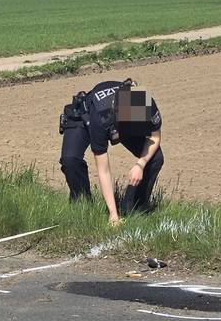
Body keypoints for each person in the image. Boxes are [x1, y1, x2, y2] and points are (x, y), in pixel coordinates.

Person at [59, 78, 164, 221]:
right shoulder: (100, 119)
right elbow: (104, 170)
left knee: (156, 158)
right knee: (70, 160)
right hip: (85, 117)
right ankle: (83, 204)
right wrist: (113, 215)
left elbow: (154, 138)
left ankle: (134, 207)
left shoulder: (146, 104)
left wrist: (141, 164)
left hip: (121, 121)